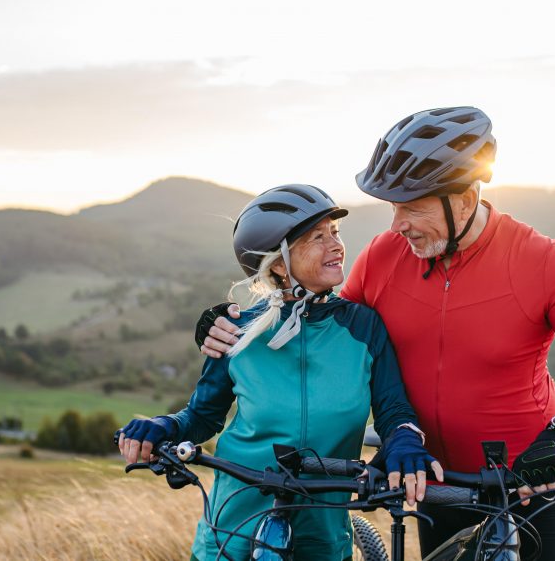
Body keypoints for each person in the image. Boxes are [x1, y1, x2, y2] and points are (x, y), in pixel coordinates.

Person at [197, 107, 555, 560]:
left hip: (525, 486)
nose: (397, 225)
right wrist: (239, 318)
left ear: (466, 199)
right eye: (393, 207)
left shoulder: (541, 260)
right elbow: (324, 327)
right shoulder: (382, 256)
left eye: (412, 208)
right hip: (434, 489)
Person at [117, 184, 442, 561]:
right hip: (233, 528)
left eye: (335, 233)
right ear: (277, 263)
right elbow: (202, 417)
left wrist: (404, 439)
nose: (335, 245)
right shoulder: (237, 330)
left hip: (324, 531)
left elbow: (392, 409)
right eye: (316, 237)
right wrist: (164, 427)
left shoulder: (363, 327)